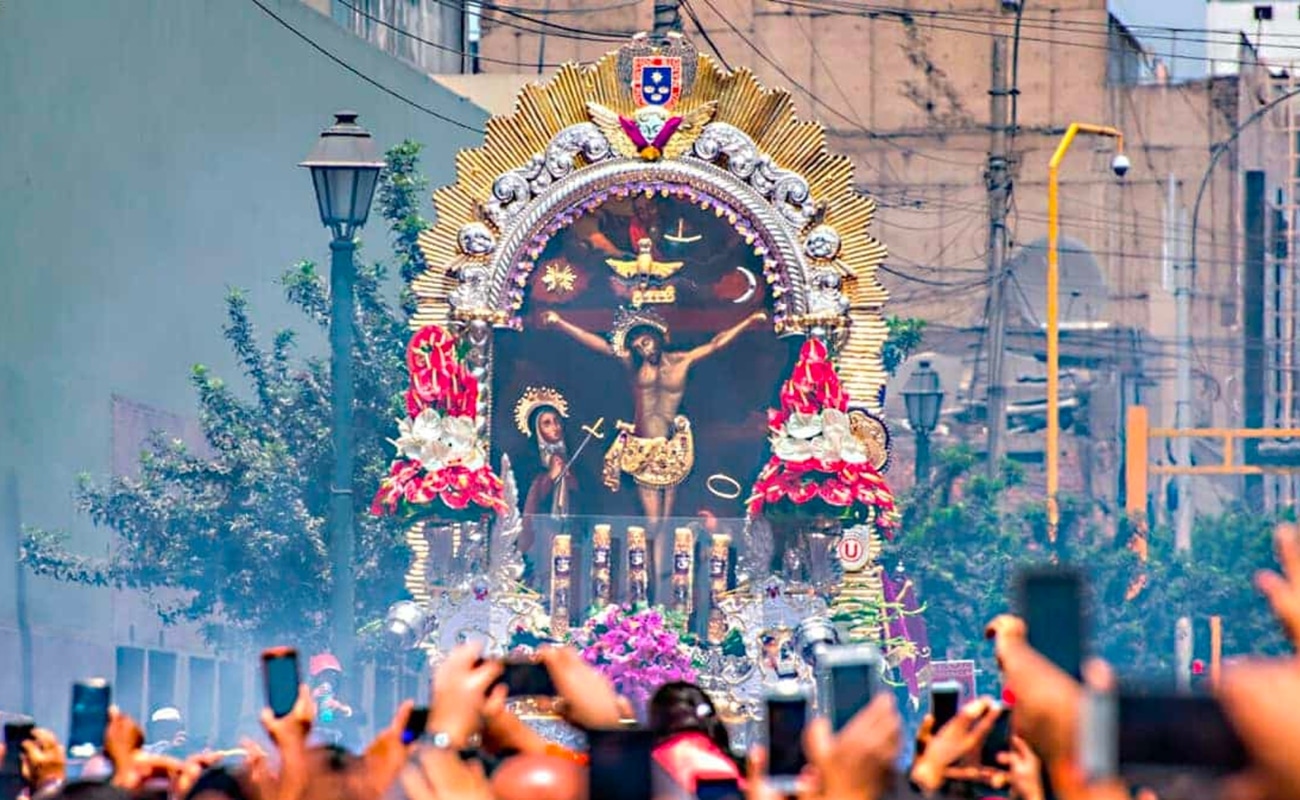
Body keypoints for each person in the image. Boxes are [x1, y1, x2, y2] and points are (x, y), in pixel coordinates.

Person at [542, 307, 766, 527]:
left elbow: (715, 344)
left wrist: (748, 321)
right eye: (637, 347)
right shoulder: (634, 365)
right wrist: (560, 322)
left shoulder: (682, 360)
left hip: (672, 448)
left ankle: (664, 564)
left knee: (667, 520)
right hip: (642, 447)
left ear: (658, 337)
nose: (643, 350)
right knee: (653, 520)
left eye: (646, 342)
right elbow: (601, 346)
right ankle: (647, 563)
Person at [513, 386, 580, 589]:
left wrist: (569, 480)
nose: (555, 427)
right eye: (547, 423)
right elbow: (525, 498)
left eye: (557, 421)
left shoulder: (574, 460)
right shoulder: (529, 461)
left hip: (567, 531)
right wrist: (548, 478)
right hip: (540, 532)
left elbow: (584, 498)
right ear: (537, 429)